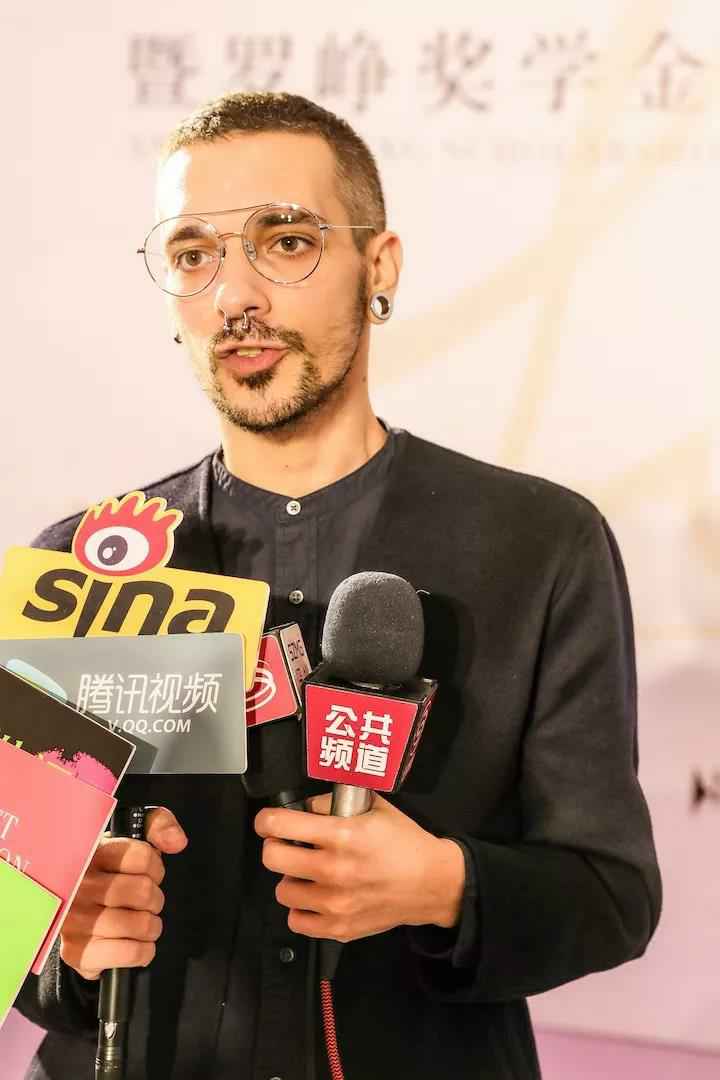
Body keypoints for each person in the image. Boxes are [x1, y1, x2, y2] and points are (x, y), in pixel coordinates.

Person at [16, 92, 661, 1080]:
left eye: (285, 242)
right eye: (193, 254)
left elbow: (612, 894)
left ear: (380, 267)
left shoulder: (539, 542)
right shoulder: (87, 562)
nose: (235, 296)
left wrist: (444, 885)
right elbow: (16, 906)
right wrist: (65, 937)